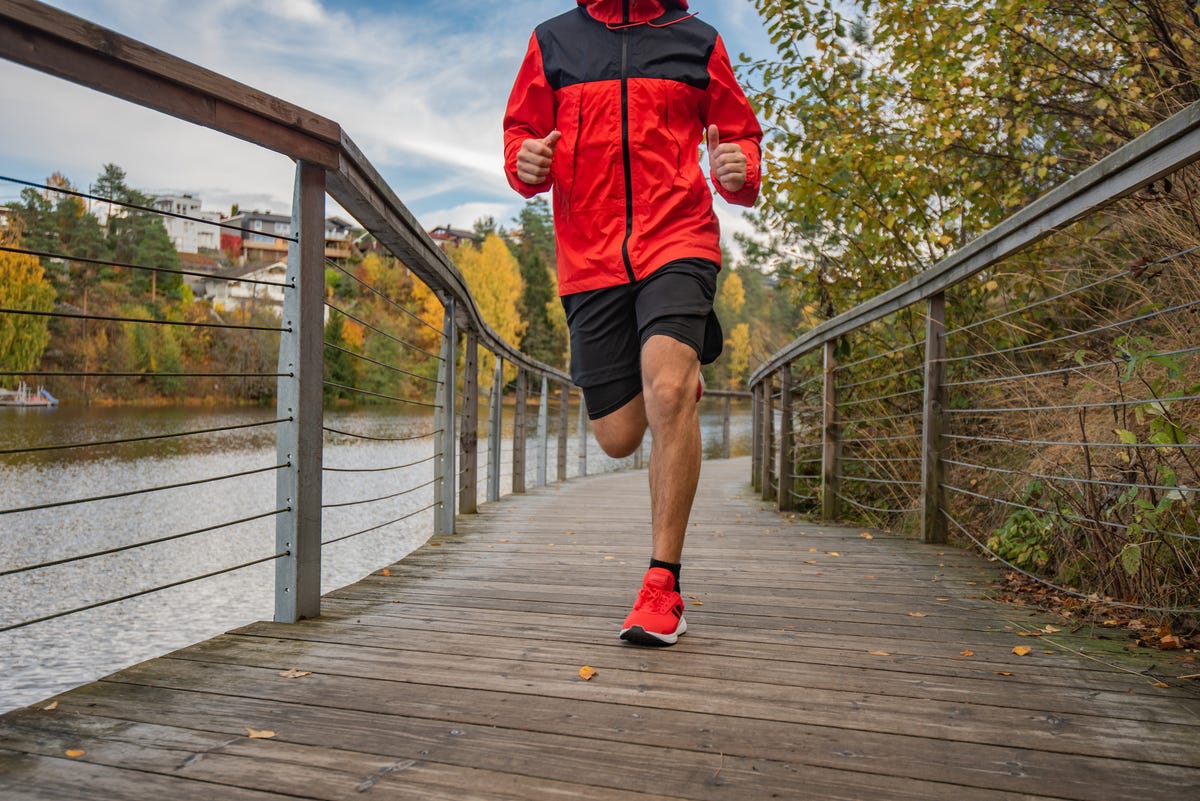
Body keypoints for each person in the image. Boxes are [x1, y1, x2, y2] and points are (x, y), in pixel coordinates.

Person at [503, 0, 762, 646]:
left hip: (678, 239)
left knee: (667, 390)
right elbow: (520, 137)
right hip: (589, 259)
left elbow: (740, 139)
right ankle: (671, 375)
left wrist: (741, 170)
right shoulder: (553, 43)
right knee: (618, 436)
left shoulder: (697, 42)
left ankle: (662, 585)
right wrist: (524, 163)